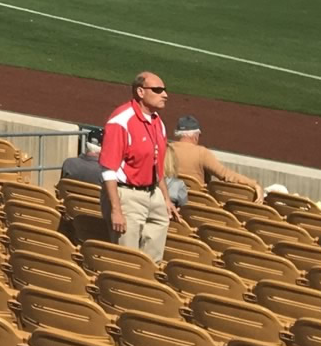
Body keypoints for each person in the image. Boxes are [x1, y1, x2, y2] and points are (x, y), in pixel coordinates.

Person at [99, 71, 176, 261]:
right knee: (127, 260)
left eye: (164, 90)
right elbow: (108, 170)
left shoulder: (158, 123)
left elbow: (158, 167)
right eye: (158, 90)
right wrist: (116, 209)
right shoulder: (121, 121)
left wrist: (166, 199)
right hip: (127, 196)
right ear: (141, 92)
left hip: (153, 195)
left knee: (152, 261)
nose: (164, 95)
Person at [167, 115, 260, 206]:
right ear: (195, 136)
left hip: (171, 202)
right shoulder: (202, 153)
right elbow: (226, 175)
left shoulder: (167, 149)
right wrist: (253, 184)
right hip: (196, 206)